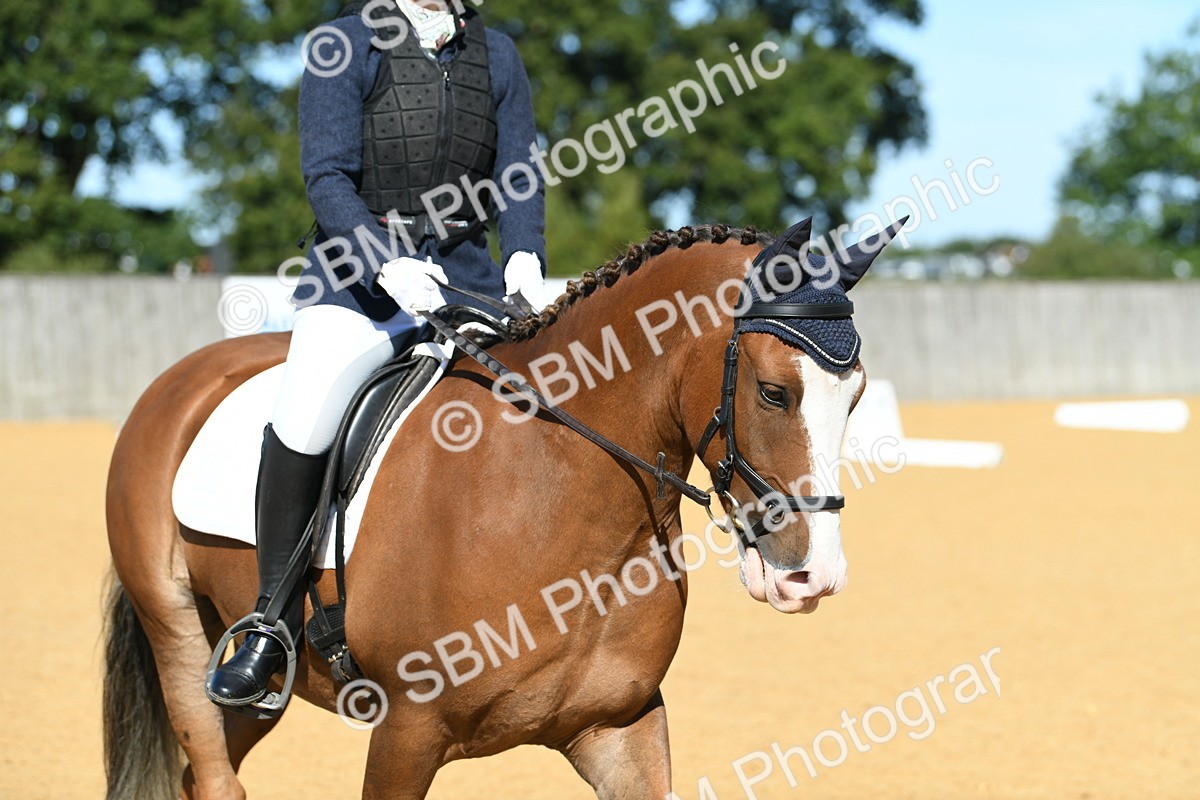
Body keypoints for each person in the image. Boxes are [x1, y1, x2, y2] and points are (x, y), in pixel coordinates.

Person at [206, 0, 548, 709]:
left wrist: (523, 258)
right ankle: (270, 622)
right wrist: (384, 263)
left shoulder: (499, 55)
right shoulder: (342, 44)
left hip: (470, 282)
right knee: (306, 412)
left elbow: (519, 175)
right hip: (360, 285)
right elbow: (327, 177)